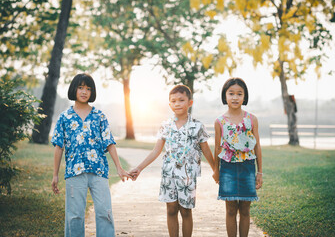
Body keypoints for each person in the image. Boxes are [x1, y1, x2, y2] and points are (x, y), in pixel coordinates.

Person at [51, 73, 131, 237]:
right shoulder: (64, 117)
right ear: (74, 89)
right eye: (80, 87)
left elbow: (109, 142)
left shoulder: (99, 116)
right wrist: (55, 175)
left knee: (104, 212)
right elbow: (59, 147)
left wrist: (119, 167)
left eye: (88, 88)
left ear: (92, 92)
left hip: (99, 172)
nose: (84, 91)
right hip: (74, 172)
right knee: (75, 216)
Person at [129, 85, 216, 237]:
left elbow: (206, 150)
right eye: (173, 101)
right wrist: (139, 168)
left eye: (181, 100)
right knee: (171, 209)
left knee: (185, 211)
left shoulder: (197, 126)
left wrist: (216, 170)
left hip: (188, 174)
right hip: (169, 173)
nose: (177, 104)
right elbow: (156, 151)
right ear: (170, 104)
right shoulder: (165, 126)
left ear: (190, 103)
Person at [212, 77, 263, 237]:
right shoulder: (219, 121)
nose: (235, 97)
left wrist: (259, 172)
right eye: (231, 93)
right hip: (227, 168)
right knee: (231, 209)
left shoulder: (251, 119)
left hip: (248, 167)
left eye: (239, 94)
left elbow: (257, 146)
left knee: (245, 209)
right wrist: (216, 170)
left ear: (244, 96)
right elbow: (217, 148)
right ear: (225, 96)